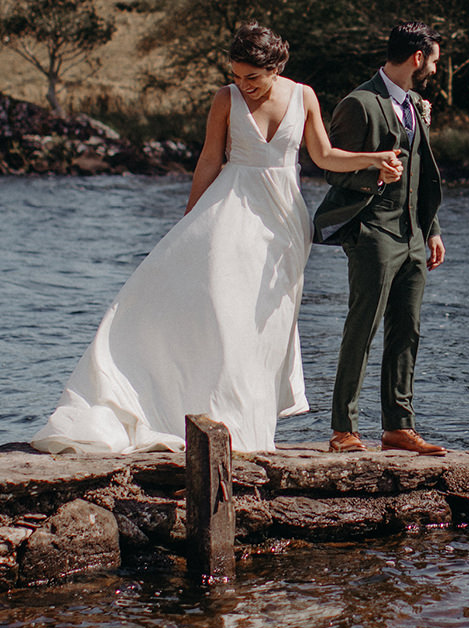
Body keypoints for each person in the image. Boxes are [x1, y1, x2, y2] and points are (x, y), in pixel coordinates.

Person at [32, 23, 401, 455]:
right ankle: (207, 419)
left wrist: (373, 159)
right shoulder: (225, 99)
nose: (244, 85)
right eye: (238, 75)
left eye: (253, 78)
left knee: (264, 325)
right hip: (229, 211)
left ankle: (249, 433)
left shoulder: (303, 96)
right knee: (223, 317)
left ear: (276, 67)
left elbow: (322, 156)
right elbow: (210, 158)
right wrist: (190, 221)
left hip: (282, 221)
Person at [313, 22, 448, 455]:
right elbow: (329, 166)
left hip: (412, 234)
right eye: (433, 60)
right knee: (362, 328)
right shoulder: (360, 103)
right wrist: (373, 172)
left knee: (407, 330)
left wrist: (432, 230)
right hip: (372, 232)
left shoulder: (414, 104)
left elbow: (423, 170)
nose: (434, 69)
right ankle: (343, 430)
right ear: (416, 58)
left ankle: (398, 428)